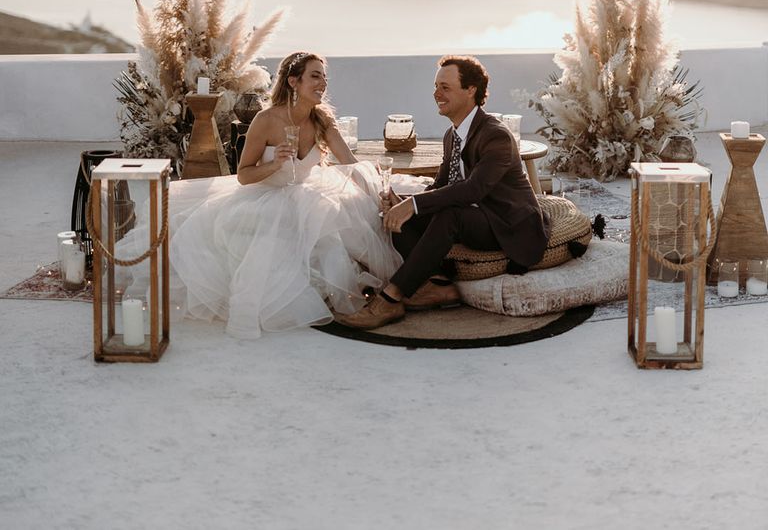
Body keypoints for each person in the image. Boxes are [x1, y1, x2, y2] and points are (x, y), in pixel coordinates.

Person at [118, 51, 402, 338]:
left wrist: (379, 189)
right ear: (293, 81)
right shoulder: (266, 120)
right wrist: (274, 163)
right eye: (315, 76)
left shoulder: (322, 121)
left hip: (307, 194)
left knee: (340, 212)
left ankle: (398, 285)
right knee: (275, 231)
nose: (323, 83)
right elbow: (243, 175)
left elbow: (350, 163)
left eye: (324, 76)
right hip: (264, 196)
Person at [336, 54, 550, 330]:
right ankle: (437, 285)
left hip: (507, 223)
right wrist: (401, 203)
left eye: (445, 87)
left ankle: (391, 298)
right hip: (476, 217)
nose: (436, 93)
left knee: (448, 214)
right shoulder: (452, 136)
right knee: (395, 216)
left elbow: (473, 190)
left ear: (471, 90)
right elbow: (440, 187)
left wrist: (413, 204)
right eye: (436, 87)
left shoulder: (495, 135)